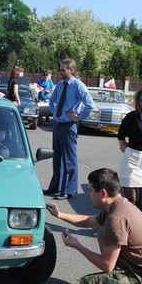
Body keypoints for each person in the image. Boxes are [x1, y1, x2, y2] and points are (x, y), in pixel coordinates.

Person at [43, 58, 95, 200]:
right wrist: (55, 113)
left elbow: (90, 105)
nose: (60, 72)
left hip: (68, 126)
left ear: (71, 70)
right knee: (57, 157)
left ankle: (68, 190)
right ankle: (56, 187)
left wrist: (78, 117)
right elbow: (52, 101)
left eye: (63, 70)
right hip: (58, 125)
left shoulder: (79, 86)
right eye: (60, 69)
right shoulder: (60, 85)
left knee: (69, 159)